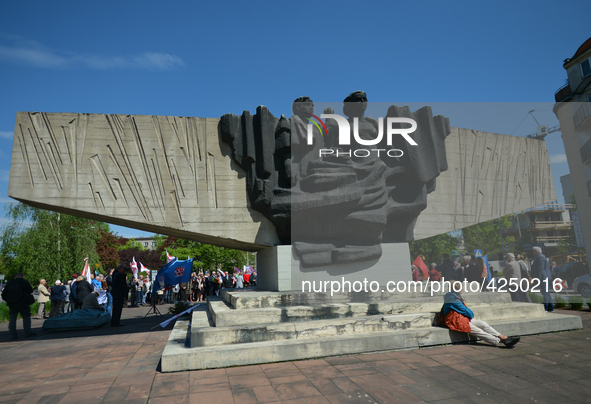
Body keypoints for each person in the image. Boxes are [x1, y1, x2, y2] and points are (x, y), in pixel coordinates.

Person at [438, 282, 520, 348]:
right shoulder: (451, 298)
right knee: (478, 331)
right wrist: (471, 314)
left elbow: (465, 311)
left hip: (462, 318)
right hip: (455, 321)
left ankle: (503, 337)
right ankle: (501, 341)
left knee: (482, 324)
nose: (461, 288)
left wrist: (469, 314)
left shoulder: (455, 296)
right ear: (454, 289)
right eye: (459, 287)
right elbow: (465, 310)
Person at [1, 273, 36, 340]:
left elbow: (4, 295)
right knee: (26, 318)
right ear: (22, 277)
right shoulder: (24, 282)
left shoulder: (10, 283)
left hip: (12, 304)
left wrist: (9, 301)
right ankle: (27, 332)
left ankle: (13, 334)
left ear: (15, 277)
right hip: (23, 304)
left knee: (12, 320)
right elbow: (30, 290)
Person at [531, 246, 554, 312]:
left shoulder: (540, 257)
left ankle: (546, 308)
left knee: (545, 293)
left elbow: (540, 268)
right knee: (547, 293)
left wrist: (538, 278)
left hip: (543, 277)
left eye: (533, 251)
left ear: (536, 251)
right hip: (545, 277)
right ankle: (550, 308)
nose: (532, 253)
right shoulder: (541, 256)